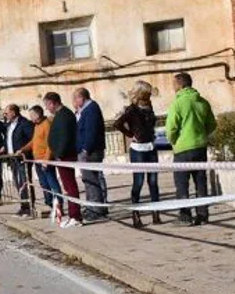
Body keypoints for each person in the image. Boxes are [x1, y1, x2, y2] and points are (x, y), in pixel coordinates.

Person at [165, 72, 218, 226]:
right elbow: (212, 124)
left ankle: (185, 216)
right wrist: (202, 135)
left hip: (182, 149)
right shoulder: (202, 102)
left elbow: (171, 128)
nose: (172, 87)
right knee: (200, 181)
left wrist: (174, 141)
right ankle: (203, 215)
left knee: (182, 183)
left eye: (174, 84)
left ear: (180, 85)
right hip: (200, 146)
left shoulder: (178, 103)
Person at [113, 81, 160, 228]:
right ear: (141, 93)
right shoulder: (132, 109)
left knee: (153, 182)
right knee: (138, 182)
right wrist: (130, 134)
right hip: (138, 149)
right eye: (147, 92)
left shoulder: (149, 106)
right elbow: (118, 124)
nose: (149, 94)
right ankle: (135, 214)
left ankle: (156, 212)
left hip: (151, 147)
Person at [44, 92, 83, 228]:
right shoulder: (59, 115)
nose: (47, 109)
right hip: (61, 155)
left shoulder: (65, 115)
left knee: (70, 186)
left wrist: (59, 153)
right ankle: (73, 214)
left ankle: (75, 216)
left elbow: (65, 137)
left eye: (47, 105)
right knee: (68, 186)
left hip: (65, 156)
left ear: (53, 103)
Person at [20, 105, 63, 220]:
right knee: (44, 184)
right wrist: (23, 149)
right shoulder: (36, 126)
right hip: (37, 160)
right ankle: (49, 204)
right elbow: (34, 141)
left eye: (31, 115)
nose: (30, 118)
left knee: (52, 183)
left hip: (45, 160)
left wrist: (47, 159)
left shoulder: (46, 124)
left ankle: (59, 205)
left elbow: (50, 143)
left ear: (37, 115)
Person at [74, 88, 108, 222]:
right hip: (86, 150)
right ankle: (91, 207)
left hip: (90, 151)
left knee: (92, 181)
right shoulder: (85, 111)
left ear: (81, 98)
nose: (75, 102)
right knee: (88, 181)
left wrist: (86, 149)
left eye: (76, 99)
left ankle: (96, 209)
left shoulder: (91, 110)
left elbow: (91, 131)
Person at [4, 104, 35, 216]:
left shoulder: (24, 124)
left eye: (6, 113)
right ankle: (23, 205)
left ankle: (29, 207)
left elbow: (32, 139)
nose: (5, 115)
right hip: (13, 159)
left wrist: (23, 150)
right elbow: (8, 140)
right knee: (17, 183)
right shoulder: (9, 125)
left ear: (13, 112)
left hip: (23, 158)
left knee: (24, 182)